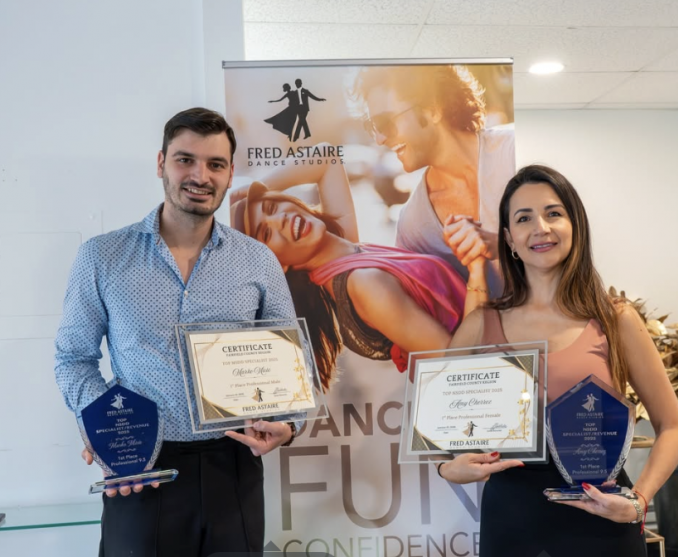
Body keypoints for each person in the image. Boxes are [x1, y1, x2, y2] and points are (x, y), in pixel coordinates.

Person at [54, 108, 302, 557]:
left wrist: (289, 423)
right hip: (140, 467)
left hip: (234, 465)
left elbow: (290, 364)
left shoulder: (258, 260)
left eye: (215, 164)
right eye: (185, 160)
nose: (200, 176)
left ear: (230, 174)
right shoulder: (102, 257)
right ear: (161, 163)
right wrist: (108, 427)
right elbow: (73, 358)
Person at [438, 165, 678, 557]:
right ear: (509, 238)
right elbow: (436, 426)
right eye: (524, 218)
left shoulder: (616, 319)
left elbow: (674, 426)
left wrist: (639, 502)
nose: (540, 228)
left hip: (603, 518)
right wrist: (445, 466)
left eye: (553, 213)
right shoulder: (479, 324)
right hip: (511, 520)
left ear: (575, 225)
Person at [230, 152, 489, 388]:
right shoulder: (364, 283)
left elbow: (326, 158)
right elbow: (457, 366)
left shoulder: (344, 249)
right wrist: (476, 268)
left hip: (499, 351)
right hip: (490, 378)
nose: (280, 220)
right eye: (266, 233)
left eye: (272, 207)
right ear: (278, 265)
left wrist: (255, 188)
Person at [353, 64, 516, 295]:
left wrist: (503, 245)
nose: (379, 139)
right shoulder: (413, 227)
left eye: (385, 122)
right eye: (373, 127)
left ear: (432, 109)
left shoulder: (515, 151)